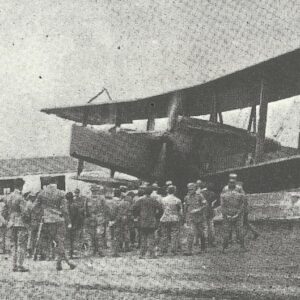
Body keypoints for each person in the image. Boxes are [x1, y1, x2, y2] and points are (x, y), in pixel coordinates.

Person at [34, 177, 76, 270]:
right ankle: (67, 262)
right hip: (59, 220)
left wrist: (41, 215)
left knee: (57, 241)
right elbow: (64, 210)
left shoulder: (42, 193)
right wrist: (68, 221)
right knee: (60, 241)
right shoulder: (61, 193)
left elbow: (35, 207)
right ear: (56, 182)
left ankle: (59, 263)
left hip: (47, 220)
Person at [2, 178, 30, 272]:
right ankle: (20, 265)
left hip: (11, 223)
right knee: (21, 245)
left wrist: (6, 222)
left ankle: (13, 265)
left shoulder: (8, 197)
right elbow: (25, 212)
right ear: (21, 186)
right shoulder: (20, 197)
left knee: (13, 245)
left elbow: (3, 212)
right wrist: (28, 221)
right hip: (21, 223)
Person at [133, 186, 163, 259]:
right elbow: (161, 209)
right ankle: (152, 254)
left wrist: (137, 216)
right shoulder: (154, 200)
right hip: (152, 220)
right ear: (151, 192)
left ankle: (142, 254)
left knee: (143, 238)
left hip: (142, 220)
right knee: (151, 237)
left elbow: (134, 208)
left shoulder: (140, 200)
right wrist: (157, 216)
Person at [221, 173, 246, 253]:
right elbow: (222, 204)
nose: (232, 182)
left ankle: (242, 246)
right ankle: (225, 247)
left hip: (236, 212)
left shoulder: (239, 188)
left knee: (239, 230)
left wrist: (238, 214)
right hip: (229, 213)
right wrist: (226, 214)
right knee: (227, 231)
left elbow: (243, 202)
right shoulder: (225, 189)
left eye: (234, 180)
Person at [83, 184, 110, 257]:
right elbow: (85, 210)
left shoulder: (102, 198)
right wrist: (87, 219)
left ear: (98, 191)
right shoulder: (88, 198)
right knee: (91, 236)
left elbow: (106, 209)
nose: (94, 192)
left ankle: (100, 251)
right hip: (91, 220)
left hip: (100, 220)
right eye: (93, 191)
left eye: (95, 191)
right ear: (91, 191)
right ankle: (93, 250)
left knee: (99, 235)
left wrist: (105, 218)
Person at [184, 183, 208, 255]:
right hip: (191, 218)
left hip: (200, 218)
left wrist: (198, 209)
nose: (190, 190)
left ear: (195, 189)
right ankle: (189, 250)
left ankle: (203, 248)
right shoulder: (186, 197)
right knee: (190, 233)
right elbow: (185, 207)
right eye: (189, 189)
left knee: (201, 233)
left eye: (191, 189)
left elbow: (205, 205)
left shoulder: (200, 196)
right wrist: (185, 217)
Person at [160, 185, 182, 255]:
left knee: (164, 234)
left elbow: (161, 209)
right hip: (174, 218)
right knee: (174, 234)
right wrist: (181, 218)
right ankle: (173, 250)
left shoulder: (163, 199)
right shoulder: (177, 200)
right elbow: (180, 211)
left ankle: (163, 249)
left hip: (165, 217)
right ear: (175, 191)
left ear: (167, 190)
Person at [200, 182, 218, 247]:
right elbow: (214, 203)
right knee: (211, 226)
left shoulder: (202, 193)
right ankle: (213, 241)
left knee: (205, 227)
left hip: (204, 211)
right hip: (210, 210)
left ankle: (205, 241)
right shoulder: (213, 194)